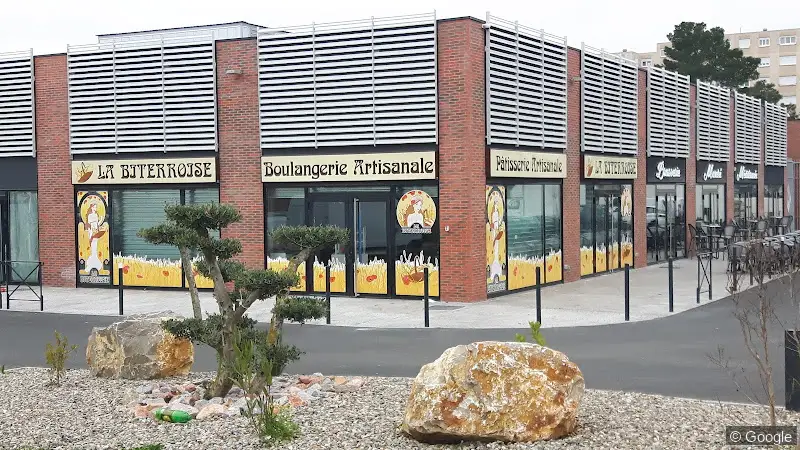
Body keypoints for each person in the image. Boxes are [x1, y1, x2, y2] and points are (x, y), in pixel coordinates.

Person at [85, 202, 103, 274]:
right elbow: (90, 224)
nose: (95, 209)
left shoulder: (96, 215)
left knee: (95, 247)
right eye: (95, 207)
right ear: (92, 207)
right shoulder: (90, 215)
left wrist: (101, 220)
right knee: (93, 247)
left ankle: (95, 263)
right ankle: (92, 263)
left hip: (96, 232)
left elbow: (97, 225)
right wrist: (90, 234)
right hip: (92, 232)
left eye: (96, 207)